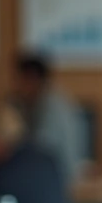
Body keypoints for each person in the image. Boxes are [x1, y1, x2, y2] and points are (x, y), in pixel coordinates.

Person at [14, 53, 86, 188]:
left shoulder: (52, 105)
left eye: (20, 80)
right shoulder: (46, 99)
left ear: (32, 78)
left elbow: (40, 149)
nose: (17, 87)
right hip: (55, 177)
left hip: (60, 181)